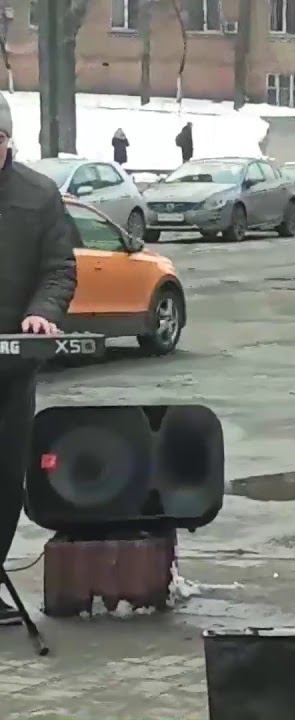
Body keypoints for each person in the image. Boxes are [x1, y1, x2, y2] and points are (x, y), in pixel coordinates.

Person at [0, 92, 80, 627]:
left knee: (5, 480)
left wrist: (41, 313)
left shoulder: (38, 195)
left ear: (7, 142)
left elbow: (59, 269)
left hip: (9, 371)